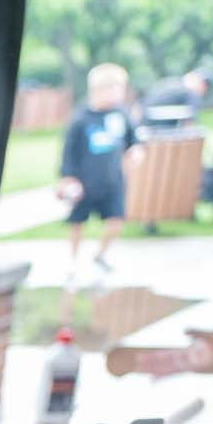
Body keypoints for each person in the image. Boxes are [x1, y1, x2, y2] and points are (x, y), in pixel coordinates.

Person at [60, 63, 136, 281]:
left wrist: (135, 151)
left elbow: (132, 139)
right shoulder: (81, 118)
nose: (119, 95)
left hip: (113, 180)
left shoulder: (121, 114)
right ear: (98, 90)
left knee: (116, 220)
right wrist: (69, 178)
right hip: (84, 182)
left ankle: (100, 255)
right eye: (115, 90)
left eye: (121, 90)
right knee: (77, 223)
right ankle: (72, 261)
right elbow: (69, 151)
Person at [139, 69, 211, 132]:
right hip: (160, 133)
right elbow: (188, 125)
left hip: (142, 126)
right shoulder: (190, 93)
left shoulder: (171, 83)